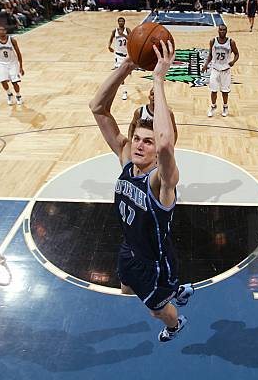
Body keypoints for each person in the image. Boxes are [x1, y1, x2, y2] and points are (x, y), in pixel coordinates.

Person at [89, 40, 194, 342]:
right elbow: (98, 108)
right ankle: (177, 290)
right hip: (130, 251)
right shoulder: (126, 158)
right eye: (137, 138)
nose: (139, 144)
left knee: (156, 311)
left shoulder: (161, 181)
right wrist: (125, 66)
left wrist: (158, 79)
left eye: (147, 142)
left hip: (156, 265)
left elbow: (165, 144)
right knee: (125, 291)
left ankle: (175, 324)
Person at [202, 24, 240, 117]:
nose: (222, 31)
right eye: (220, 30)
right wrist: (206, 64)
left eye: (224, 30)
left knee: (225, 91)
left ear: (226, 31)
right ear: (218, 31)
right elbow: (210, 55)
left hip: (226, 70)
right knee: (213, 90)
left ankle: (225, 106)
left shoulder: (231, 42)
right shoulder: (213, 41)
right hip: (215, 69)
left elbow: (237, 54)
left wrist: (233, 61)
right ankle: (213, 106)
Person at [0, 26, 24, 105]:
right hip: (2, 64)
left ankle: (18, 96)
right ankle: (9, 93)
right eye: (0, 30)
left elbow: (18, 53)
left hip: (12, 63)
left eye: (3, 30)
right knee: (3, 81)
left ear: (5, 31)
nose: (1, 31)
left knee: (14, 82)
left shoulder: (12, 40)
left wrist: (21, 66)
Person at [108, 17, 130, 100]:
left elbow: (131, 39)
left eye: (122, 21)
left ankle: (128, 70)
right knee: (120, 75)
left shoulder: (127, 30)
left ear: (124, 22)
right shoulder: (115, 31)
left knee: (123, 74)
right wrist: (109, 46)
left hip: (126, 55)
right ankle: (124, 92)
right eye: (120, 21)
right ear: (118, 22)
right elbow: (110, 39)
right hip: (118, 55)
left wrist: (123, 35)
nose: (121, 22)